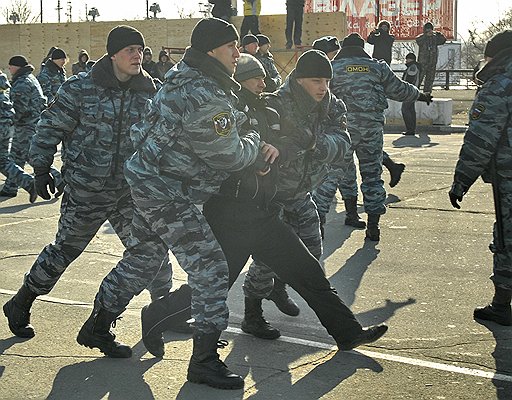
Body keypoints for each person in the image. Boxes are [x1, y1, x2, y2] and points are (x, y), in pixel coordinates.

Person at [142, 51, 389, 364]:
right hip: (232, 216)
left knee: (308, 271)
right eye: (254, 78)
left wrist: (297, 143)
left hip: (265, 213)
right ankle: (156, 314)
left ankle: (348, 332)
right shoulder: (235, 107)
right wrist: (265, 153)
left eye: (327, 81)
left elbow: (303, 140)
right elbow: (229, 149)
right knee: (214, 286)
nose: (263, 83)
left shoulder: (269, 106)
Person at [77, 18, 267, 390]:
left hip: (151, 182)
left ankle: (98, 326)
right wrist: (254, 137)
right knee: (211, 269)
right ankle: (204, 362)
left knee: (144, 258)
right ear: (213, 49)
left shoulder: (189, 76)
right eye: (232, 46)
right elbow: (227, 155)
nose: (237, 53)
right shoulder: (204, 92)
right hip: (168, 191)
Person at [3, 25, 173, 342]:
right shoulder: (80, 87)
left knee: (152, 250)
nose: (137, 55)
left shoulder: (150, 90)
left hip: (128, 192)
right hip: (85, 191)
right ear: (112, 55)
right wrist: (40, 167)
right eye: (129, 50)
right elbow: (50, 125)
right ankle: (21, 302)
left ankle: (164, 310)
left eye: (140, 49)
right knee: (63, 253)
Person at [330, 33, 431, 241]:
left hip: (342, 129)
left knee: (344, 172)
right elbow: (400, 90)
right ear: (362, 48)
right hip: (371, 130)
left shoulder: (332, 68)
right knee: (372, 175)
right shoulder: (377, 67)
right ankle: (373, 227)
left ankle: (351, 213)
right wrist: (420, 95)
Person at [449, 30, 512, 326]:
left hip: (509, 176)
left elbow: (481, 139)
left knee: (507, 238)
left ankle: (501, 305)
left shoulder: (500, 85)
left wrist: (462, 180)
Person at [0, 55, 61, 200]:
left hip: (26, 126)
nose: (9, 68)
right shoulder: (29, 78)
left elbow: (19, 110)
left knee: (28, 157)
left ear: (17, 67)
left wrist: (9, 123)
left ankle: (56, 179)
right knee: (19, 157)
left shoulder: (22, 83)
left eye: (11, 66)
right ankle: (12, 187)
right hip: (31, 125)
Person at [0, 69, 37, 202]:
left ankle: (29, 183)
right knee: (3, 160)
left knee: (3, 160)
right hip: (6, 123)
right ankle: (29, 183)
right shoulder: (3, 83)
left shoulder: (19, 82)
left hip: (3, 123)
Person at [415, 22, 446, 93]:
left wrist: (438, 33)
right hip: (422, 63)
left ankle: (427, 93)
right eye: (427, 29)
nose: (429, 31)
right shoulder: (422, 37)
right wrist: (426, 35)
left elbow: (443, 40)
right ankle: (415, 93)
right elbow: (418, 40)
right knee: (419, 79)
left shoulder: (435, 38)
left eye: (430, 29)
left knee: (430, 79)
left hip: (432, 62)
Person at [401, 52, 422, 136]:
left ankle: (410, 129)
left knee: (405, 110)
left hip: (410, 92)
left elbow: (409, 79)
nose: (406, 61)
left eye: (407, 59)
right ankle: (411, 129)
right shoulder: (414, 67)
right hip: (413, 91)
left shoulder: (412, 67)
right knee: (411, 110)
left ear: (411, 59)